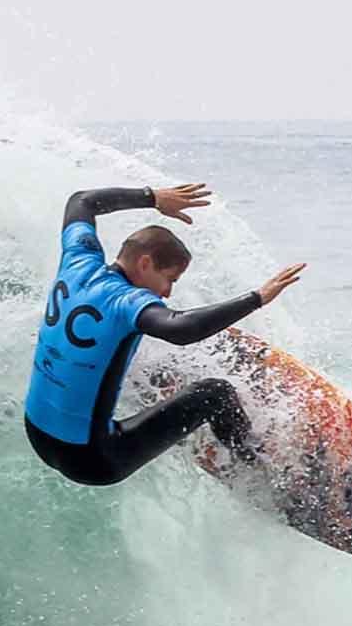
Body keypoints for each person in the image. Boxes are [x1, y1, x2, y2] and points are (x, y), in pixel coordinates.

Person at [23, 183, 305, 486]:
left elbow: (82, 201)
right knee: (214, 393)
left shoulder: (77, 261)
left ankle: (180, 426)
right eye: (169, 279)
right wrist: (257, 297)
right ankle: (262, 471)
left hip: (38, 433)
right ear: (145, 263)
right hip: (95, 458)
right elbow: (181, 329)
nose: (167, 292)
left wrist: (153, 198)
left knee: (122, 355)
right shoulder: (125, 302)